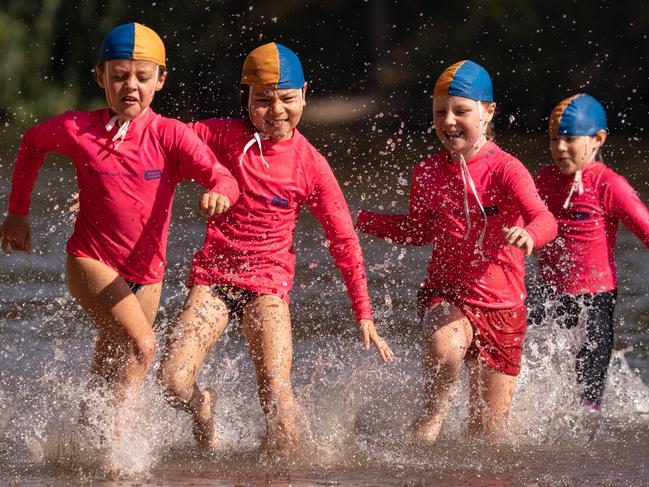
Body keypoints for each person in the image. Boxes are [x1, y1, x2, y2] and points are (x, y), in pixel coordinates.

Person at [0, 22, 239, 431]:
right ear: (100, 77)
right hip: (90, 260)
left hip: (146, 275)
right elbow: (31, 143)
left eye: (142, 77)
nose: (130, 86)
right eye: (118, 76)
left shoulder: (170, 136)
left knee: (117, 375)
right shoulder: (79, 129)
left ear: (160, 80)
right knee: (143, 346)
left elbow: (223, 175)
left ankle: (89, 453)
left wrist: (220, 191)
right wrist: (19, 213)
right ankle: (116, 462)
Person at [158, 42, 394, 451]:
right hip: (214, 280)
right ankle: (203, 406)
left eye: (287, 99)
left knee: (278, 403)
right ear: (244, 97)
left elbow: (343, 239)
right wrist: (112, 187)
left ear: (304, 94)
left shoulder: (311, 164)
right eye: (263, 101)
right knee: (172, 382)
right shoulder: (219, 136)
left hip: (268, 288)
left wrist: (364, 313)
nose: (277, 111)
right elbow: (161, 142)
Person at [355, 60, 557, 442]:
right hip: (447, 294)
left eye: (461, 111)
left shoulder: (507, 170)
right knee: (444, 344)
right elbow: (418, 231)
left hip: (503, 308)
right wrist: (360, 219)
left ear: (488, 111)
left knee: (486, 436)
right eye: (439, 112)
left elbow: (545, 217)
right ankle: (428, 421)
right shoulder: (428, 172)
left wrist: (531, 235)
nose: (448, 121)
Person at [530, 93, 649, 410]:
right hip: (548, 293)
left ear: (598, 139)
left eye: (570, 139)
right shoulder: (544, 180)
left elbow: (646, 228)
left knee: (588, 389)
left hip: (594, 300)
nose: (560, 148)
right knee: (534, 370)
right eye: (554, 140)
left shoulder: (610, 185)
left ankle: (587, 430)